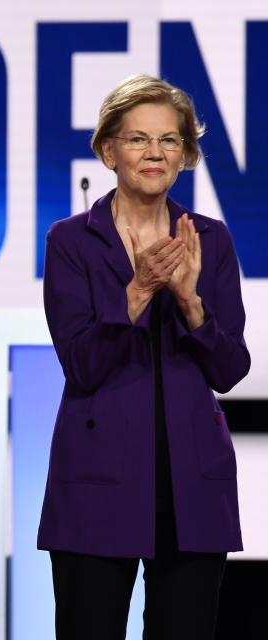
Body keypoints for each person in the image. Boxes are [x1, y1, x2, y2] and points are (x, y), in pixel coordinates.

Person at [37, 74, 250, 639]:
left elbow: (230, 369)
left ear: (186, 154)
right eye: (137, 139)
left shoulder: (211, 239)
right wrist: (135, 292)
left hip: (192, 488)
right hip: (97, 482)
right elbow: (82, 365)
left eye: (169, 140)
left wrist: (189, 301)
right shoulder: (71, 242)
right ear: (108, 150)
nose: (154, 152)